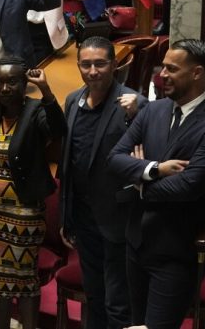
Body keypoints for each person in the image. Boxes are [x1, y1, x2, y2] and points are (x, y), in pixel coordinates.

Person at [107, 39, 205, 329]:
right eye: (162, 67)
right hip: (136, 243)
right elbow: (115, 160)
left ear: (197, 73)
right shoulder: (154, 111)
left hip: (175, 250)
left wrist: (139, 182)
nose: (162, 74)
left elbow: (188, 187)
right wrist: (154, 169)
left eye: (171, 69)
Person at [0, 57, 66, 329]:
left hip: (25, 214)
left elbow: (58, 128)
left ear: (24, 83)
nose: (4, 88)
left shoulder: (35, 110)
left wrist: (47, 92)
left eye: (12, 81)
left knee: (25, 280)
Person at [61, 37, 146, 329]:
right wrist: (66, 214)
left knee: (118, 303)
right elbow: (69, 161)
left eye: (100, 63)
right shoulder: (73, 101)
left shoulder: (132, 102)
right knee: (94, 295)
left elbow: (152, 138)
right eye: (86, 64)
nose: (93, 71)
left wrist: (138, 111)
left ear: (115, 64)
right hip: (84, 217)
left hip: (118, 218)